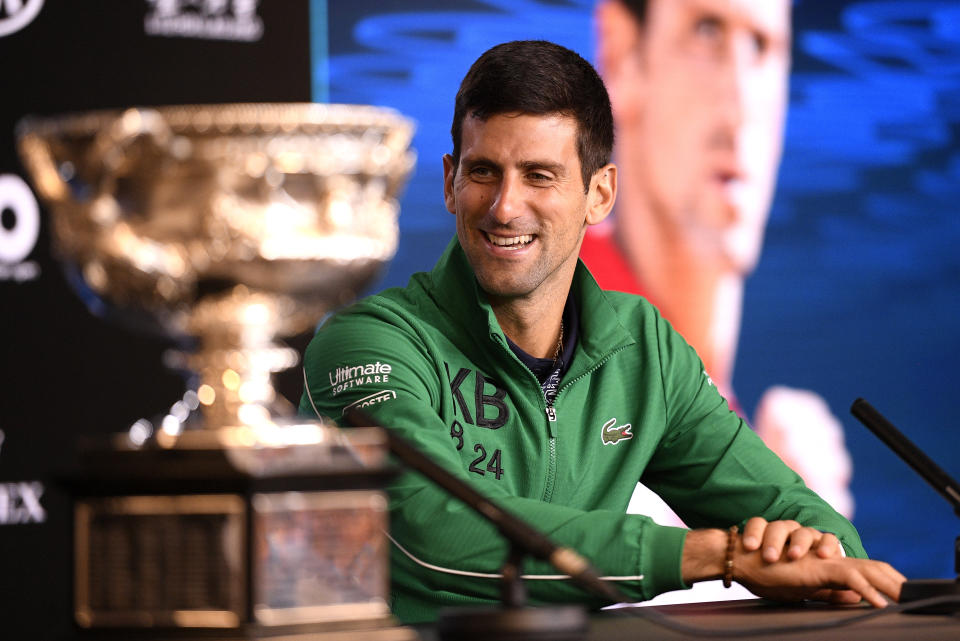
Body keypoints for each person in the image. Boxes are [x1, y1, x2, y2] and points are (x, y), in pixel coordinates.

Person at [300, 40, 903, 624]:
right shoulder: (367, 346)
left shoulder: (642, 347)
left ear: (600, 193)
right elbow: (432, 535)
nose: (505, 207)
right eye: (484, 171)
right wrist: (713, 557)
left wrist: (816, 554)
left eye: (539, 175)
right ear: (450, 182)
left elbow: (806, 523)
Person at [586, 0, 853, 517]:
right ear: (621, 56)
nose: (741, 103)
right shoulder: (558, 342)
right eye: (706, 31)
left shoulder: (714, 406)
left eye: (762, 46)